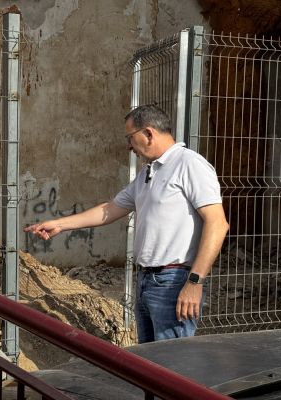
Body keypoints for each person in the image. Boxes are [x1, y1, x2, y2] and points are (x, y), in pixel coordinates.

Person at [24, 104, 229, 343]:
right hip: (146, 281)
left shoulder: (189, 165)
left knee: (173, 367)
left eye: (130, 138)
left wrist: (195, 282)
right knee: (150, 365)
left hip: (173, 282)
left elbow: (217, 223)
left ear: (149, 133)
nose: (128, 146)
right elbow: (110, 209)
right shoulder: (147, 174)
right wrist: (61, 224)